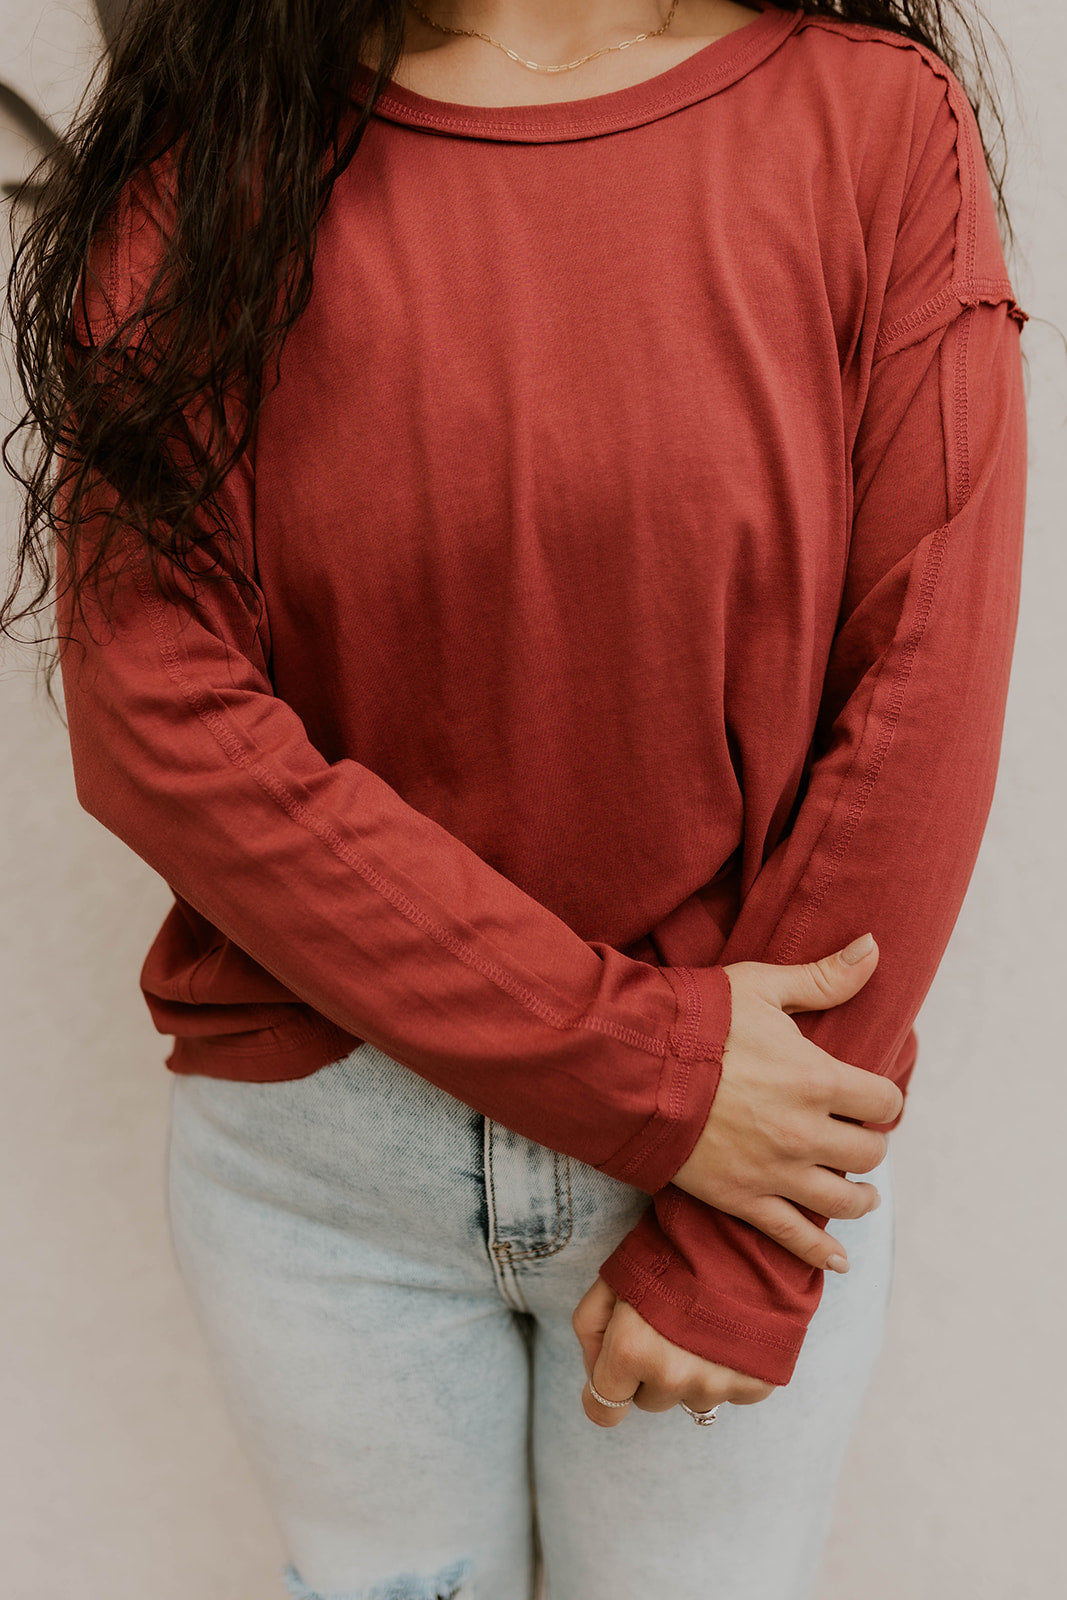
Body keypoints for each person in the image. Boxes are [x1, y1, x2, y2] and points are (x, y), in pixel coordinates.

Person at [1, 1, 1028, 1596]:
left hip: (746, 1160)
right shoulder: (213, 162)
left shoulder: (877, 127)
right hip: (330, 1178)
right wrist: (645, 1066)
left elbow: (924, 688)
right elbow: (155, 717)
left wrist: (739, 1238)